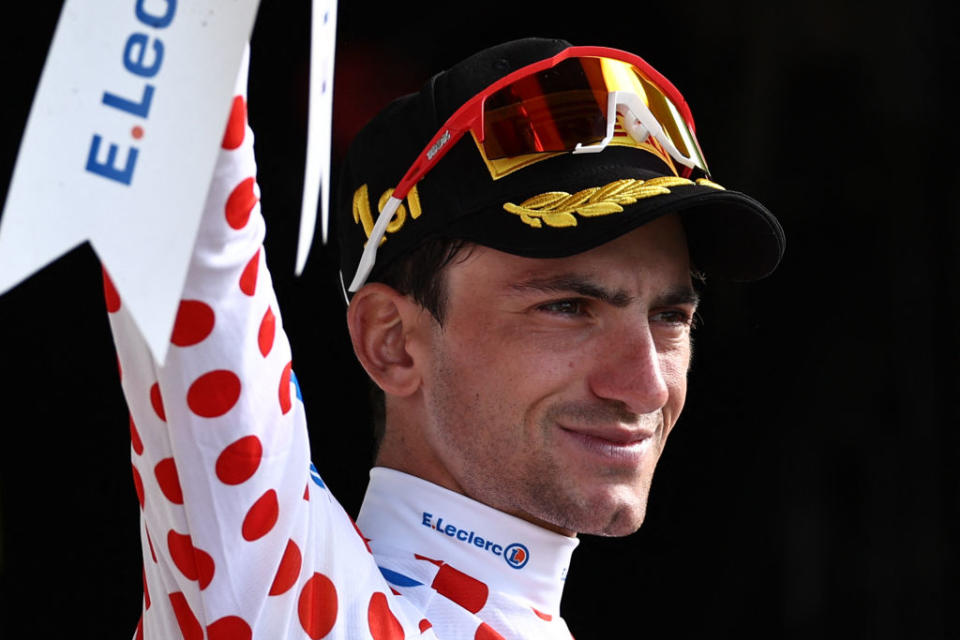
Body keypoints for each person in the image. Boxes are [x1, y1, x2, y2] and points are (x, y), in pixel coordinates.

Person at [107, 38, 783, 639]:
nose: (645, 385)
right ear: (391, 342)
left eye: (670, 318)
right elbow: (188, 218)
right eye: (569, 307)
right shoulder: (282, 603)